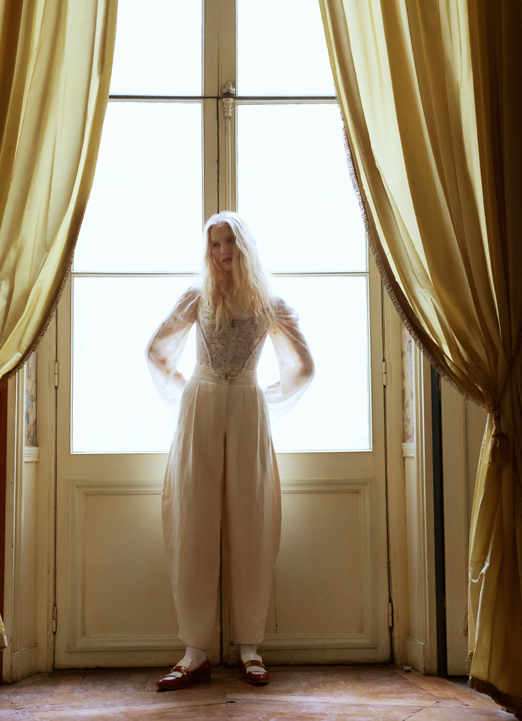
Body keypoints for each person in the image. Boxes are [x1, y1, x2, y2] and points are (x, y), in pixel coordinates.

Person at [146, 211, 314, 691]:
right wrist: (193, 387)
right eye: (214, 244)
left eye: (229, 243)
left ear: (244, 246)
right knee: (193, 521)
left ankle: (250, 647)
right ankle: (194, 651)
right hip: (200, 411)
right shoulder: (196, 297)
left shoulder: (270, 304)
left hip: (246, 410)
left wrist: (261, 395)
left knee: (251, 522)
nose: (222, 252)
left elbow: (303, 367)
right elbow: (156, 350)